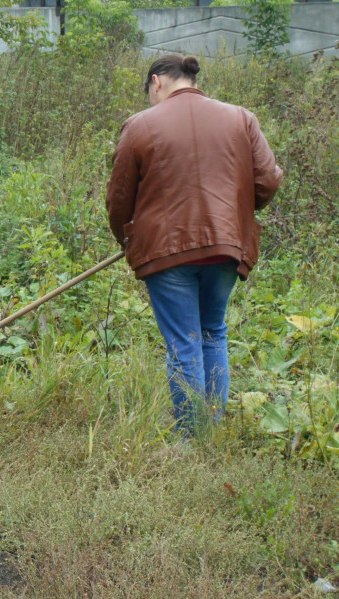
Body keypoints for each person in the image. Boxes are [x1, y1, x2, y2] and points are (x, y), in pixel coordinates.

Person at [105, 54, 283, 436]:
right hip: (225, 247)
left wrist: (126, 238)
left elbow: (119, 197)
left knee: (184, 343)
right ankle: (211, 431)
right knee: (212, 332)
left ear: (156, 82)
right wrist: (235, 217)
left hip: (166, 253)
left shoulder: (139, 126)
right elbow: (267, 181)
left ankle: (191, 441)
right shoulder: (241, 118)